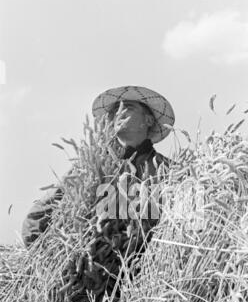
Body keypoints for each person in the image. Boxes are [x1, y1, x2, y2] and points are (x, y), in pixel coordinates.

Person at [22, 84, 175, 248]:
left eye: (127, 107)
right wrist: (41, 255)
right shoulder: (89, 167)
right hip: (91, 264)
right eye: (115, 110)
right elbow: (38, 214)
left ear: (148, 120)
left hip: (145, 261)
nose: (118, 113)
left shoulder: (168, 171)